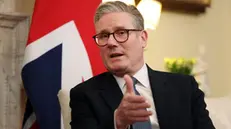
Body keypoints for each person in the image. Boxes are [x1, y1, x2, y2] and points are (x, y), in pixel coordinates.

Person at [69, 1, 215, 129]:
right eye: (104, 36)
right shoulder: (84, 95)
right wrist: (117, 122)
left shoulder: (184, 87)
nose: (111, 43)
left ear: (143, 38)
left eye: (121, 32)